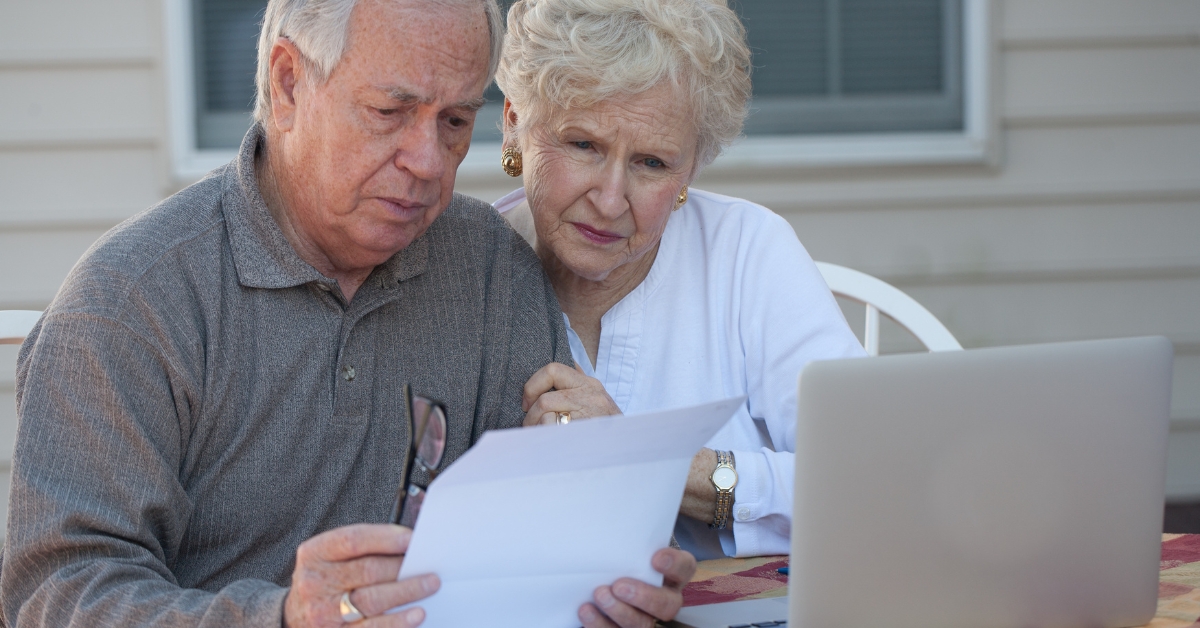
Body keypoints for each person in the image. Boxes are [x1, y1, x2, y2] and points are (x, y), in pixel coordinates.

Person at [0, 0, 694, 626]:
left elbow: (536, 546)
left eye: (454, 121)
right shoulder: (130, 305)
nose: (427, 161)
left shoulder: (489, 268)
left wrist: (612, 573)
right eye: (390, 113)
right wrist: (281, 620)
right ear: (289, 84)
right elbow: (54, 595)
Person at [494, 0, 866, 560]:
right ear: (515, 125)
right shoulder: (465, 277)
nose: (611, 198)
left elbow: (871, 478)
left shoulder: (747, 252)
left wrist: (651, 463)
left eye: (652, 163)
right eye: (583, 145)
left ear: (690, 169)